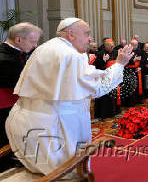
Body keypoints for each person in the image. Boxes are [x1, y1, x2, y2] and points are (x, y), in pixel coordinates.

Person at [5, 18, 133, 175]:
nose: (90, 39)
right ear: (71, 34)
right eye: (87, 33)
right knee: (68, 172)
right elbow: (98, 86)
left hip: (24, 125)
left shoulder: (44, 47)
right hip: (52, 130)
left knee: (37, 169)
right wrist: (120, 63)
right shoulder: (71, 55)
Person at [0, 23, 42, 149]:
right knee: (6, 139)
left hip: (15, 103)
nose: (35, 45)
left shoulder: (15, 51)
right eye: (33, 41)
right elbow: (24, 84)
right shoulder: (5, 59)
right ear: (18, 39)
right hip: (5, 107)